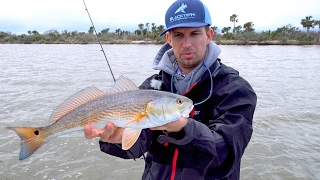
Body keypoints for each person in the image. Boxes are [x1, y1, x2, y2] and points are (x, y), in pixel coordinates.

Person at [84, 0, 257, 179]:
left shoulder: (235, 90)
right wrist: (117, 139)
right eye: (178, 35)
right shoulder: (152, 86)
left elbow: (226, 154)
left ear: (209, 35)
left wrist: (185, 128)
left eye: (195, 33)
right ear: (169, 38)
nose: (187, 43)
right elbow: (137, 147)